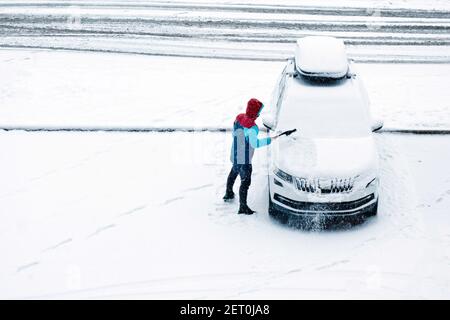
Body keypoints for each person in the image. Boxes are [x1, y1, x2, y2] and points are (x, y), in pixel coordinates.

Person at [223, 98, 279, 215]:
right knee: (245, 182)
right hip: (244, 159)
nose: (259, 114)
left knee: (234, 172)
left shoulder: (239, 117)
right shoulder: (252, 128)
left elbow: (235, 132)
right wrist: (269, 140)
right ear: (255, 112)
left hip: (235, 153)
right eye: (258, 112)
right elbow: (255, 144)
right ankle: (242, 207)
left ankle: (228, 193)